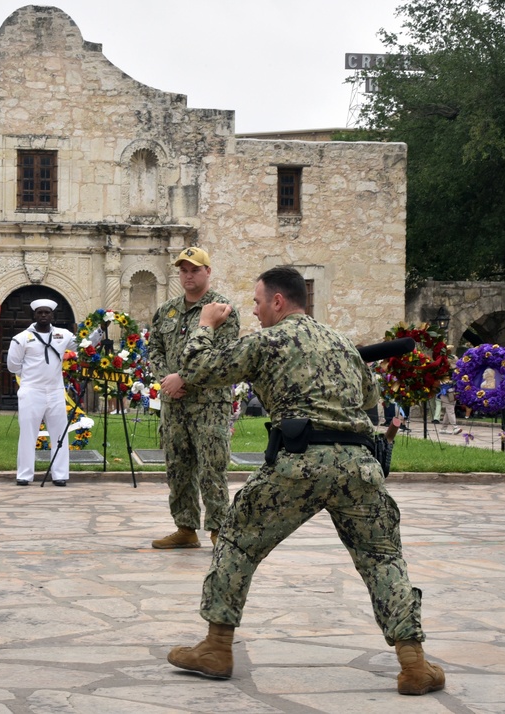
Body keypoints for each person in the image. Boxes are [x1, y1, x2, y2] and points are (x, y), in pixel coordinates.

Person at [165, 266, 445, 696]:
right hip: (358, 464)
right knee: (382, 558)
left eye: (258, 302)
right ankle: (414, 664)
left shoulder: (264, 341)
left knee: (238, 541)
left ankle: (216, 648)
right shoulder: (340, 343)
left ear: (278, 301)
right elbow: (369, 399)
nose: (255, 312)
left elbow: (198, 368)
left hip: (301, 460)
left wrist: (205, 324)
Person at [148, 247, 239, 549]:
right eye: (183, 270)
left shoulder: (222, 309)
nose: (188, 275)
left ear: (208, 272)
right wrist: (167, 380)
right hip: (174, 403)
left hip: (209, 404)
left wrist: (182, 378)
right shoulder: (167, 310)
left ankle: (218, 530)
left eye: (194, 269)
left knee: (212, 468)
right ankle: (185, 528)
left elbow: (220, 355)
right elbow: (155, 349)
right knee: (178, 467)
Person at [7, 299, 78, 487]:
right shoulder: (22, 338)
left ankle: (60, 474)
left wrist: (101, 330)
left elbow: (83, 346)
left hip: (55, 391)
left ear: (53, 315)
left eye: (47, 312)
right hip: (32, 391)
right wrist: (28, 376)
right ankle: (24, 474)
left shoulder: (63, 335)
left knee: (60, 433)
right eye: (40, 312)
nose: (44, 315)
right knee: (28, 433)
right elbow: (12, 364)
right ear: (34, 315)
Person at [439, 354, 462, 435]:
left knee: (448, 411)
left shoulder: (455, 371)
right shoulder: (442, 371)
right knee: (450, 410)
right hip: (445, 393)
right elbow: (441, 383)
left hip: (453, 393)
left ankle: (443, 428)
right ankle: (455, 427)